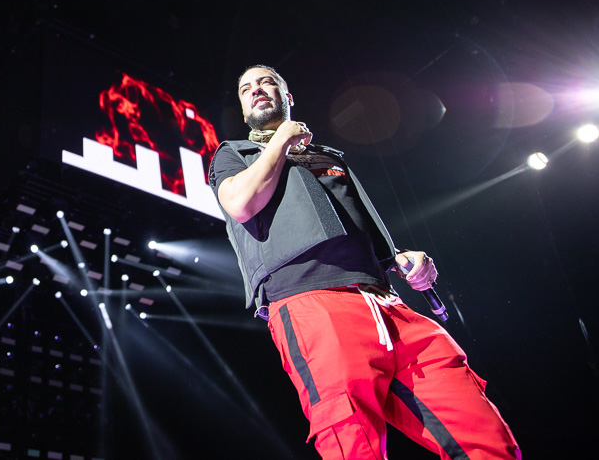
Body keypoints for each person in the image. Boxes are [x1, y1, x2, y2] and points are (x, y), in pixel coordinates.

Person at [208, 65, 521, 459]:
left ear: (288, 98)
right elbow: (240, 203)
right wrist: (282, 140)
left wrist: (399, 258)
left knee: (487, 437)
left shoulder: (329, 158)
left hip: (389, 306)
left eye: (266, 82)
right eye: (245, 88)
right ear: (242, 108)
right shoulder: (235, 154)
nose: (256, 90)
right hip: (312, 303)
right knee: (353, 442)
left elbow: (358, 227)